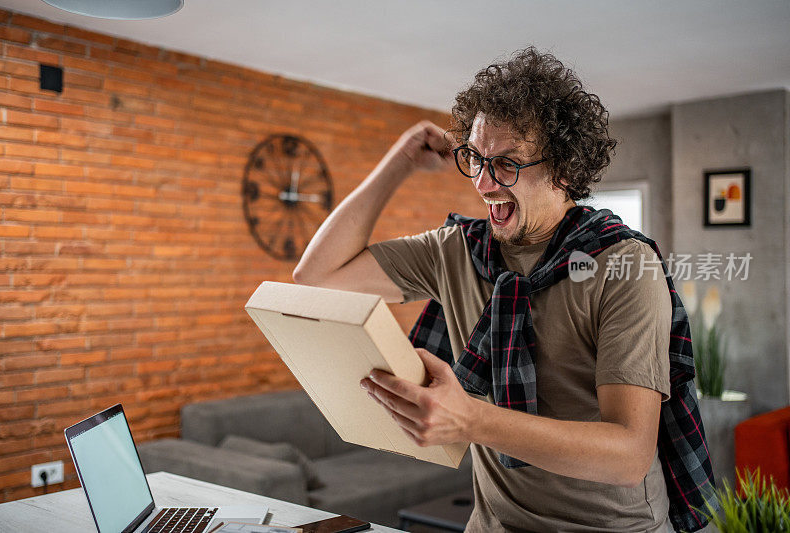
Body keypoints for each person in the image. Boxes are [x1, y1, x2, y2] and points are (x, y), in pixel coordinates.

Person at [293, 47, 713, 532]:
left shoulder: (624, 265)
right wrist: (402, 159)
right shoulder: (456, 250)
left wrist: (470, 420)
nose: (485, 183)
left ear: (565, 170)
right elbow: (317, 277)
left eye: (507, 163)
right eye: (475, 158)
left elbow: (628, 455)